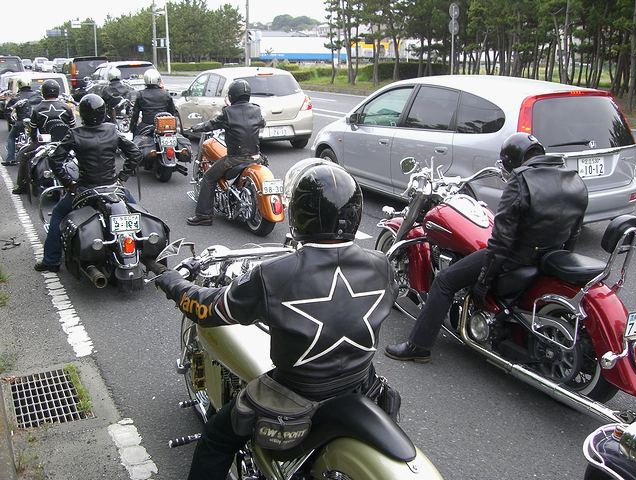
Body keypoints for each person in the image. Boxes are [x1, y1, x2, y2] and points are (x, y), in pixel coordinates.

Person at [146, 162, 399, 479]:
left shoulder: (273, 275)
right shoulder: (382, 264)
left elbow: (207, 310)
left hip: (295, 394)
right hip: (361, 385)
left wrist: (171, 281)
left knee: (216, 438)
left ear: (298, 215)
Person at [385, 133, 589, 363]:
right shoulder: (571, 178)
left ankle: (418, 347)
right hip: (548, 255)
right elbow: (574, 232)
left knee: (444, 281)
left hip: (515, 258)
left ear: (511, 161)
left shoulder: (521, 181)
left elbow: (501, 241)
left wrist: (483, 280)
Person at [35, 94, 142, 273]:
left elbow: (54, 160)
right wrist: (122, 177)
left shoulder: (75, 134)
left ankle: (51, 260)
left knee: (58, 214)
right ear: (103, 112)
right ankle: (141, 249)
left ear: (82, 114)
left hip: (86, 188)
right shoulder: (112, 130)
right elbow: (135, 153)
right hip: (113, 187)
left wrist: (68, 183)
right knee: (135, 210)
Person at [186, 78, 266, 226]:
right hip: (256, 156)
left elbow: (211, 124)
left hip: (235, 158)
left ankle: (203, 216)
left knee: (208, 177)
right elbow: (262, 123)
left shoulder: (228, 112)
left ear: (232, 95)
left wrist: (195, 128)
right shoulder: (256, 110)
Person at [12, 79, 76, 195]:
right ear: (57, 91)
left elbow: (33, 130)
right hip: (65, 141)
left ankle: (22, 186)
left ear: (44, 92)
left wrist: (34, 140)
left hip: (44, 140)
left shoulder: (37, 109)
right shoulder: (66, 107)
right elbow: (73, 128)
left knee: (24, 156)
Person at [3, 75, 43, 166]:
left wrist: (11, 120)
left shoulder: (16, 97)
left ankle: (10, 159)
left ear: (19, 85)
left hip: (21, 122)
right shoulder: (37, 96)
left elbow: (7, 111)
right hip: (36, 122)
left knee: (11, 137)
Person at [129, 68, 175, 137]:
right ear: (158, 80)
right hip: (163, 125)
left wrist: (132, 128)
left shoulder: (141, 94)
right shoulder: (166, 94)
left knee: (136, 139)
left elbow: (135, 114)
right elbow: (172, 111)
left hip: (146, 125)